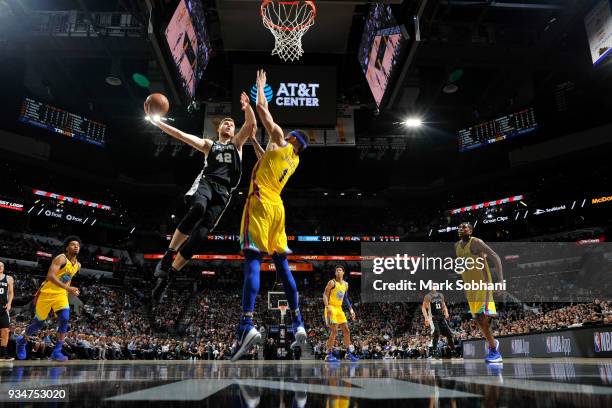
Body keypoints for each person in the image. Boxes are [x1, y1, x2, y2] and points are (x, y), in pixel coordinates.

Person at [149, 91, 257, 304]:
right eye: (224, 123)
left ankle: (167, 279)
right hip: (207, 183)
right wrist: (158, 123)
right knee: (197, 208)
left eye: (231, 124)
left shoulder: (236, 145)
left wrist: (247, 107)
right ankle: (169, 253)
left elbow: (251, 125)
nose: (228, 125)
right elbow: (181, 136)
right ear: (218, 129)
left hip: (225, 193)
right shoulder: (210, 145)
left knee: (199, 237)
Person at [231, 69, 309, 361]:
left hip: (260, 204)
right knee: (282, 266)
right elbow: (266, 157)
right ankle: (298, 322)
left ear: (290, 137)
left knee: (252, 262)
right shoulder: (293, 159)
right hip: (278, 208)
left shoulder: (280, 138)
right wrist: (253, 141)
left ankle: (247, 324)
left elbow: (264, 110)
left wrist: (260, 87)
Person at [16, 236, 81, 361]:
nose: (76, 246)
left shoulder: (78, 265)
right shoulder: (61, 258)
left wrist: (72, 290)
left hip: (61, 295)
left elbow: (68, 279)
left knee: (64, 319)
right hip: (46, 293)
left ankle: (57, 352)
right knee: (38, 324)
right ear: (67, 248)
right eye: (73, 244)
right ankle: (22, 340)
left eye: (78, 245)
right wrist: (69, 288)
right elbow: (50, 276)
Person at [455, 222, 504, 363]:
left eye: (464, 227)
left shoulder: (476, 242)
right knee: (477, 319)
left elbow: (496, 257)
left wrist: (500, 282)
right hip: (470, 287)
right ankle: (492, 343)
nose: (460, 229)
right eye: (459, 227)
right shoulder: (457, 246)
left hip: (483, 283)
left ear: (470, 230)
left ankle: (495, 351)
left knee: (482, 317)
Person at [323, 265, 358, 362]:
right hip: (331, 307)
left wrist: (351, 310)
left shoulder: (346, 284)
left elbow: (345, 298)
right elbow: (325, 295)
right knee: (334, 330)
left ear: (343, 272)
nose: (338, 271)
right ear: (335, 273)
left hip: (339, 309)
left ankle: (348, 353)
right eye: (337, 270)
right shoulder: (332, 282)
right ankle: (328, 354)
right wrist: (327, 306)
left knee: (346, 330)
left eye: (340, 270)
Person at [422, 289, 457, 358]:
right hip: (433, 317)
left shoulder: (440, 295)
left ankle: (453, 351)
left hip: (441, 317)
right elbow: (423, 308)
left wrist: (446, 312)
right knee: (437, 333)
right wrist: (426, 318)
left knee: (449, 334)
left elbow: (444, 305)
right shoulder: (428, 296)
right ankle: (434, 351)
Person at [0, 261, 15, 360]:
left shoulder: (9, 278)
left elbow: (11, 293)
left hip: (3, 307)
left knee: (5, 330)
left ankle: (2, 354)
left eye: (1, 266)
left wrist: (9, 303)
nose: (0, 267)